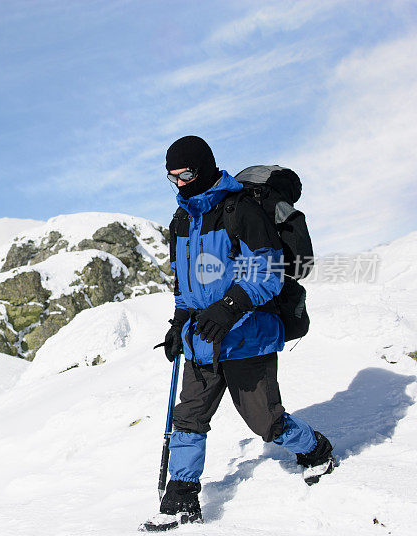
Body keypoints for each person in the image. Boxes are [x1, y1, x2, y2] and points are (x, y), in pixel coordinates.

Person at [141, 136, 335, 532]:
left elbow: (269, 272)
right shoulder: (181, 220)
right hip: (202, 340)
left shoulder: (240, 210)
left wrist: (229, 308)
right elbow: (186, 284)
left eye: (187, 174)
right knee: (189, 417)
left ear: (206, 167)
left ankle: (316, 449)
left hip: (247, 336)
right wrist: (179, 323)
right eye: (172, 177)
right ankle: (181, 497)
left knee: (266, 423)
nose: (180, 184)